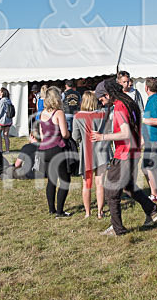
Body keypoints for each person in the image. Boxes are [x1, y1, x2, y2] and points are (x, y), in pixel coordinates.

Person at [92, 78, 157, 236]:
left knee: (111, 192)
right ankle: (152, 210)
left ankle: (118, 229)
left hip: (124, 154)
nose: (101, 103)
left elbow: (125, 133)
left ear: (108, 94)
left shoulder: (120, 106)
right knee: (128, 186)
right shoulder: (129, 102)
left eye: (101, 99)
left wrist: (102, 137)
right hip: (133, 152)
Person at [72, 89, 112, 218]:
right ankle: (100, 212)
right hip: (101, 151)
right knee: (100, 182)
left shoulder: (77, 116)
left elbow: (75, 136)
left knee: (87, 184)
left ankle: (88, 212)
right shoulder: (103, 114)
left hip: (87, 153)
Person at [38, 86, 72, 218]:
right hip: (57, 148)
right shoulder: (58, 113)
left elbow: (42, 135)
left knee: (51, 180)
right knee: (64, 180)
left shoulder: (42, 113)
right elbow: (64, 133)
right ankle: (60, 211)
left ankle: (51, 209)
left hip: (45, 149)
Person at [141, 78, 157, 203]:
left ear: (146, 88)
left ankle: (155, 195)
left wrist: (142, 119)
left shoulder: (155, 100)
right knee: (146, 167)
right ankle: (153, 192)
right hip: (151, 138)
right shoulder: (152, 100)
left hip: (155, 139)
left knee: (150, 167)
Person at [0, 87, 13, 152]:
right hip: (9, 120)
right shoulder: (8, 100)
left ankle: (0, 149)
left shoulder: (2, 101)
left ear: (2, 93)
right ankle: (7, 150)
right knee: (6, 135)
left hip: (2, 121)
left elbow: (0, 112)